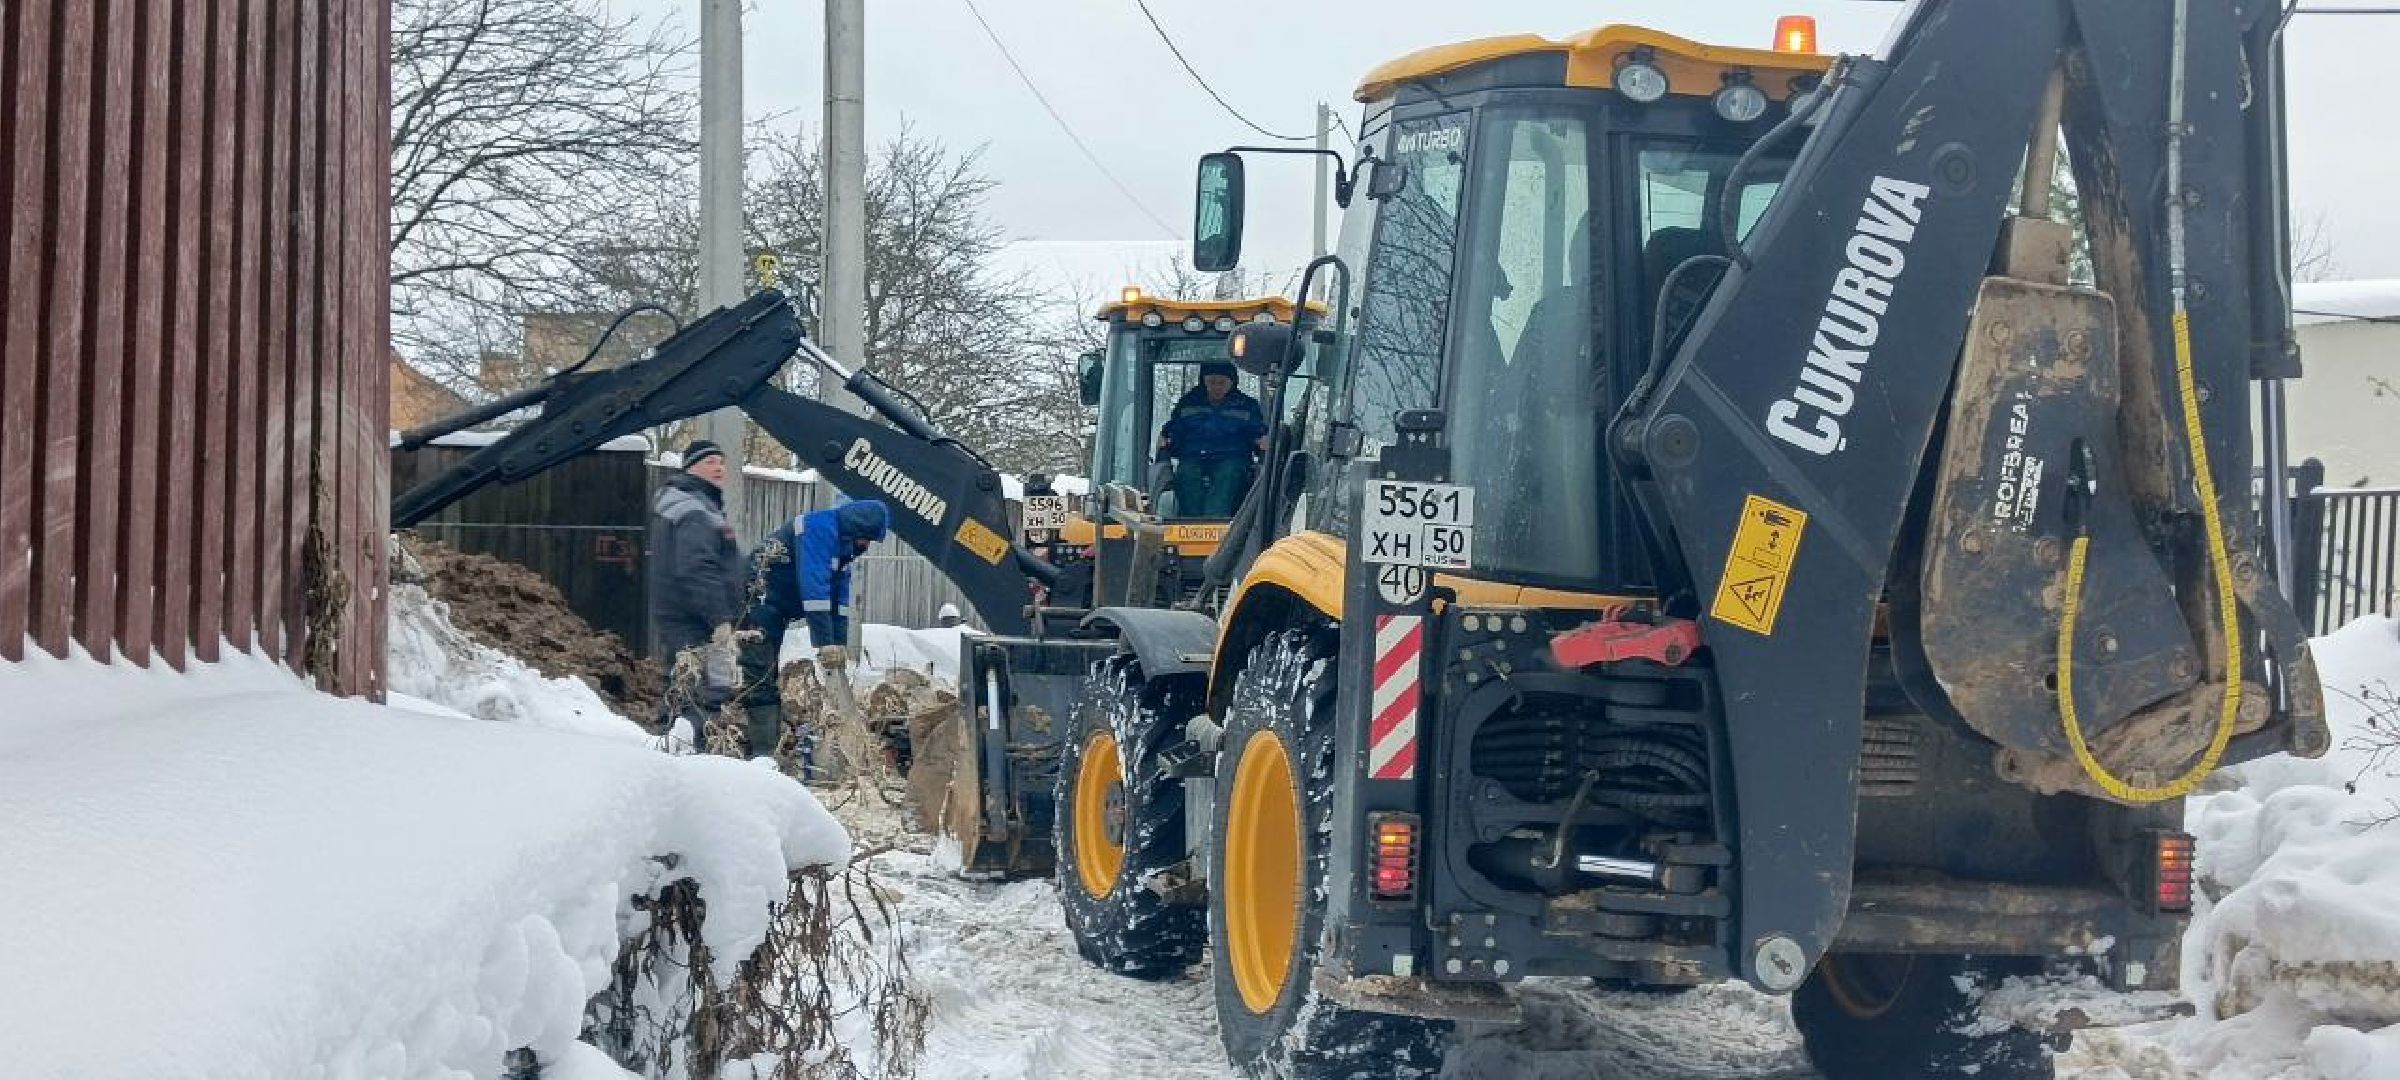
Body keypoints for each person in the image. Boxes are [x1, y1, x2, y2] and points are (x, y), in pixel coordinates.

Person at [734, 499, 892, 761]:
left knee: (764, 675)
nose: (867, 546)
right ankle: (762, 756)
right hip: (758, 601)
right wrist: (823, 642)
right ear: (856, 529)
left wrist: (837, 643)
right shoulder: (819, 529)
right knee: (760, 674)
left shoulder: (843, 548)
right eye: (867, 539)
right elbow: (814, 590)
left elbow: (838, 600)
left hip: (777, 607)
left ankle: (766, 749)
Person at [649, 439, 746, 730]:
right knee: (705, 688)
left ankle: (683, 742)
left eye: (721, 461)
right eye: (710, 462)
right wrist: (719, 620)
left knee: (693, 683)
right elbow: (697, 568)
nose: (719, 467)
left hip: (693, 616)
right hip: (696, 619)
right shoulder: (694, 511)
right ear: (691, 468)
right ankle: (692, 750)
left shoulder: (696, 505)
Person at [1156, 360, 1267, 518]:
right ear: (1204, 381)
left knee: (1227, 475)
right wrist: (1167, 440)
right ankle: (1191, 522)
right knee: (1186, 473)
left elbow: (1258, 433)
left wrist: (1261, 440)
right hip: (1193, 458)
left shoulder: (1246, 406)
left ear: (1232, 383)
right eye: (1212, 382)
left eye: (1222, 383)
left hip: (1232, 459)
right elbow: (1174, 430)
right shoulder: (1188, 403)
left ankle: (1214, 523)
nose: (1217, 387)